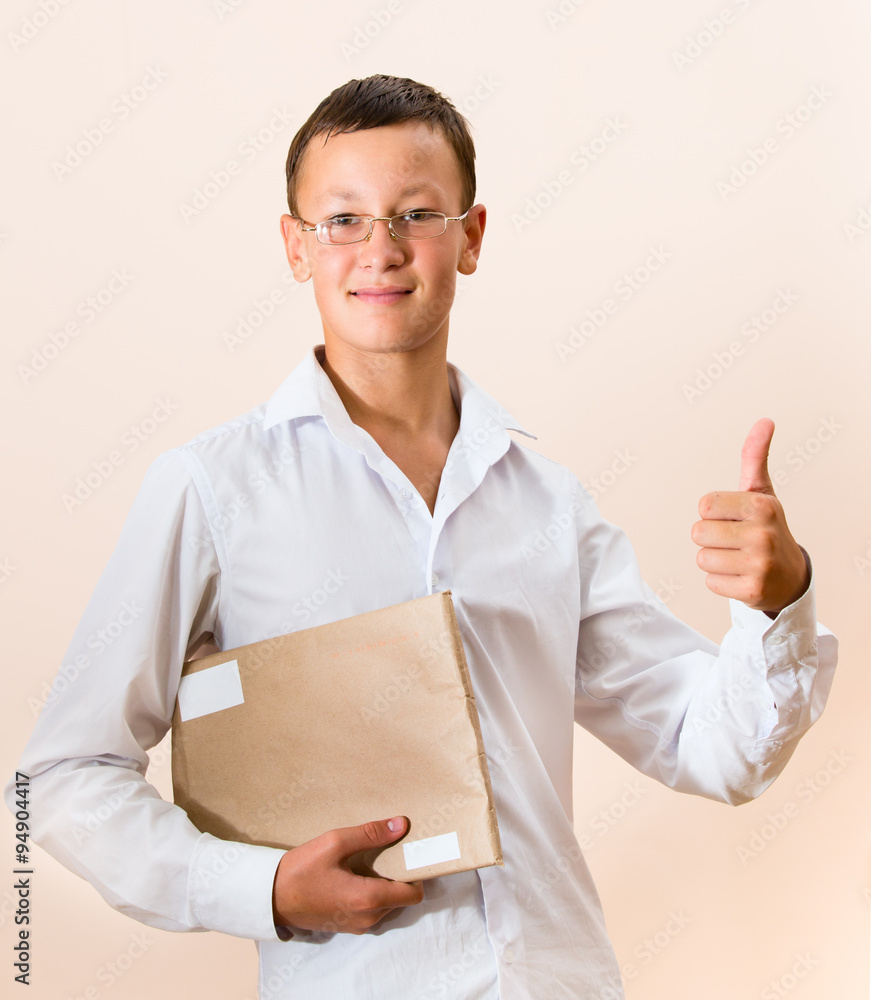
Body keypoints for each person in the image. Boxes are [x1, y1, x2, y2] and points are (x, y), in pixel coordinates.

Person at [6, 73, 838, 1000]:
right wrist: (263, 889)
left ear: (470, 237)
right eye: (343, 220)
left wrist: (778, 603)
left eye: (416, 213)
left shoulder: (548, 505)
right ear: (294, 246)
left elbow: (711, 749)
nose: (381, 249)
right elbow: (64, 775)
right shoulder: (212, 488)